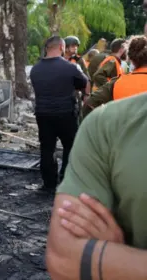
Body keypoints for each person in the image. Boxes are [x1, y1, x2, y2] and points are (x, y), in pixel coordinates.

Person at [46, 6, 147, 280]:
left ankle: (57, 180)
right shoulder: (106, 73)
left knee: (51, 154)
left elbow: (91, 97)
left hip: (82, 141)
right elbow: (64, 255)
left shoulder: (115, 77)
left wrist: (122, 260)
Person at [29, 36, 89, 191]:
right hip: (66, 113)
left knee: (47, 148)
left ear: (47, 48)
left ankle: (48, 184)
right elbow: (84, 83)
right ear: (62, 47)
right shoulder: (69, 67)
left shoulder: (36, 69)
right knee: (70, 146)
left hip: (43, 114)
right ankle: (66, 180)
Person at [81, 35, 147, 119]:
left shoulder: (116, 83)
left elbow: (89, 103)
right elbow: (98, 75)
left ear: (131, 58)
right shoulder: (112, 60)